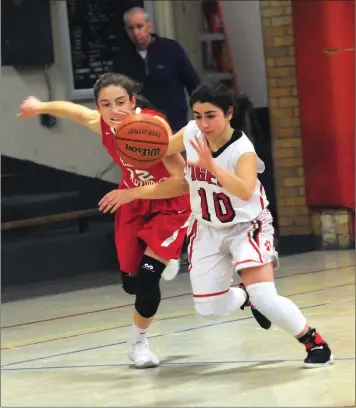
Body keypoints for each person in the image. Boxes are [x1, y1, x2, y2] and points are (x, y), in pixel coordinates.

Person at [109, 80, 334, 368]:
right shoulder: (191, 133)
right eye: (198, 115)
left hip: (247, 227)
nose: (203, 123)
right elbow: (159, 147)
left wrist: (211, 167)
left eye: (210, 116)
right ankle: (244, 296)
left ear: (228, 113)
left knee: (265, 295)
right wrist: (133, 126)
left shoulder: (243, 150)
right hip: (206, 229)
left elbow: (244, 189)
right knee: (209, 308)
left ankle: (313, 342)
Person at [16, 73, 192, 369]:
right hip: (132, 201)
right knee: (131, 284)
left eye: (121, 102)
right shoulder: (103, 125)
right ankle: (159, 260)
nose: (114, 110)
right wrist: (40, 105)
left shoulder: (152, 128)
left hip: (168, 205)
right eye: (106, 104)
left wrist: (132, 191)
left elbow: (182, 183)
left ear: (133, 101)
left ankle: (138, 343)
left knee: (149, 276)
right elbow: (73, 111)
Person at [114, 6, 200, 133]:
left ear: (149, 26)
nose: (136, 32)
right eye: (131, 28)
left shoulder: (170, 49)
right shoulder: (122, 59)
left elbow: (193, 83)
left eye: (139, 26)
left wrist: (201, 116)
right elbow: (116, 94)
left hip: (173, 125)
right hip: (139, 130)